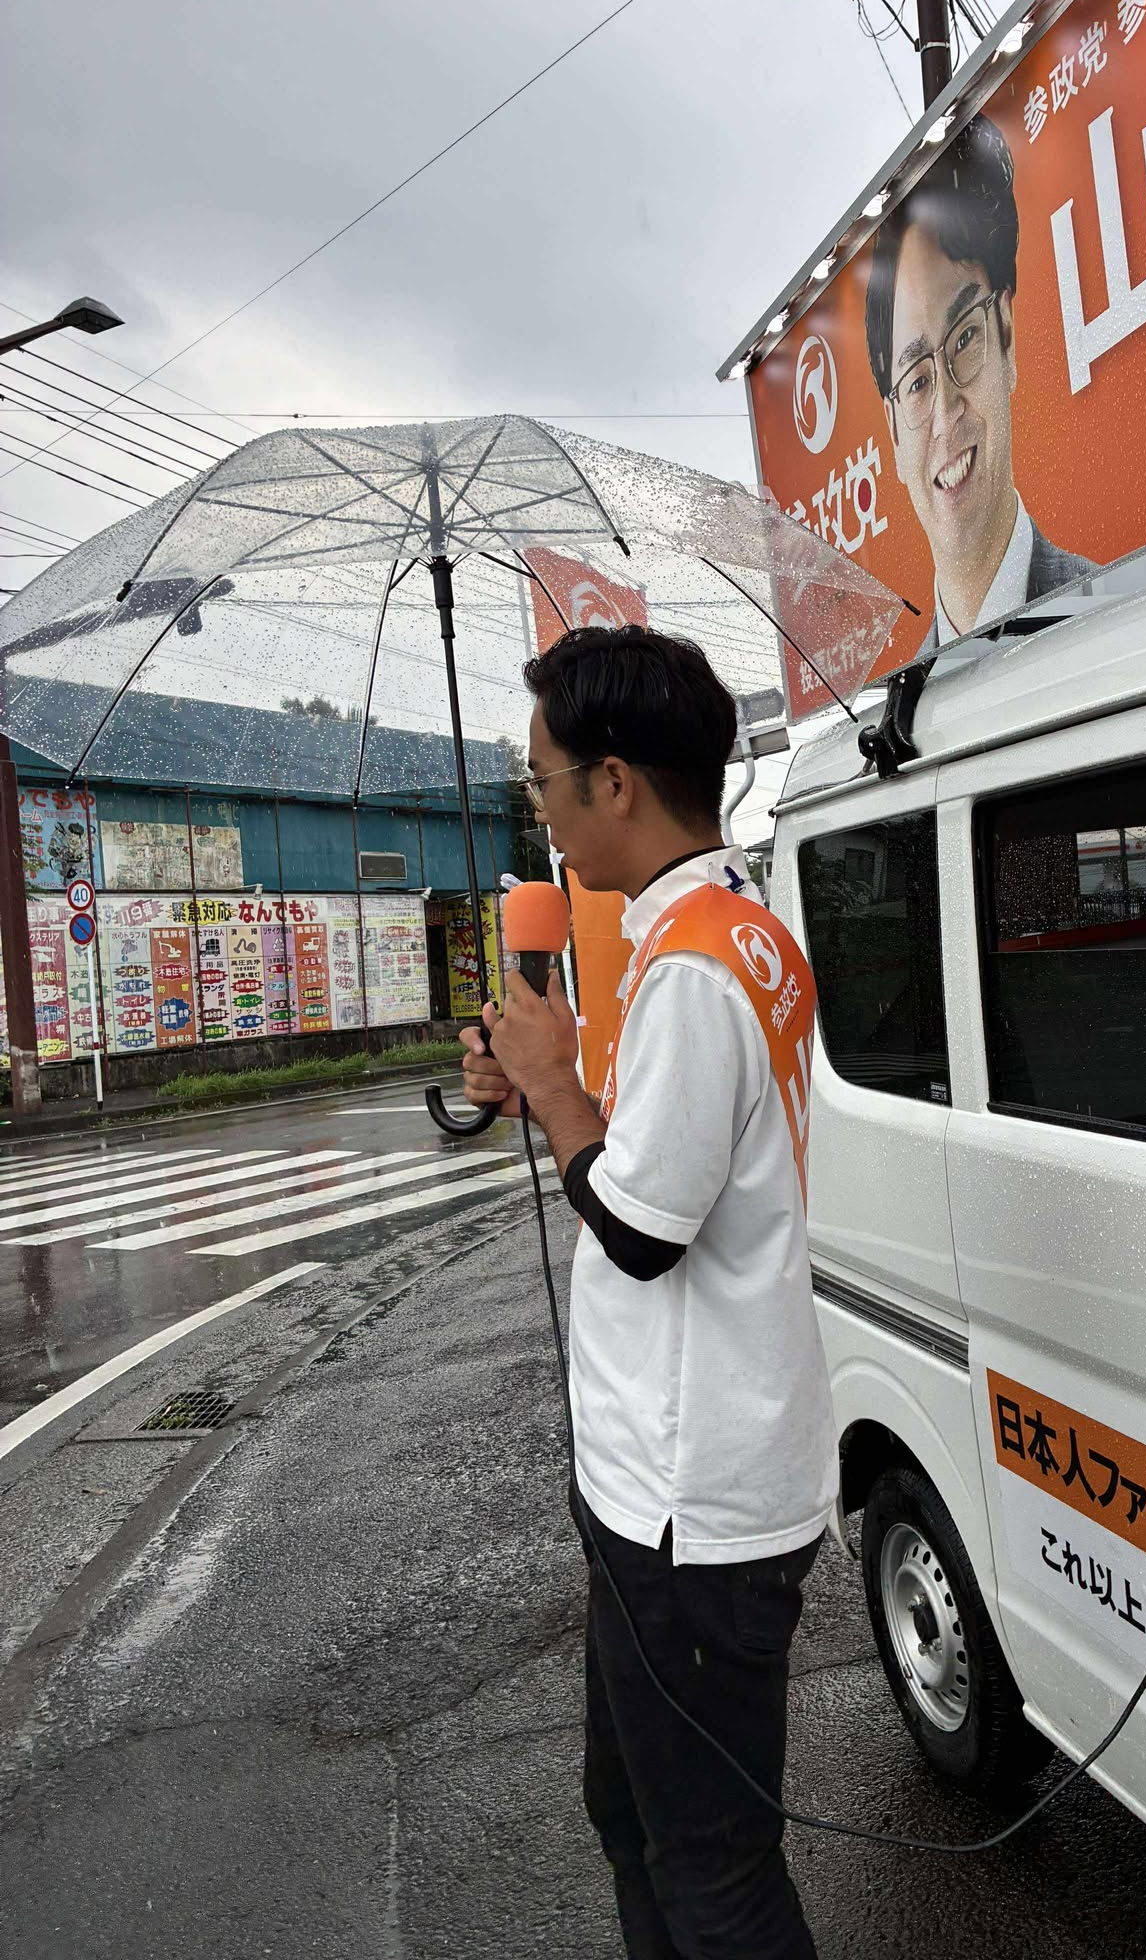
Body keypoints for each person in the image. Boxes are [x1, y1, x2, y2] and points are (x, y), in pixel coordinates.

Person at [460, 625, 836, 1960]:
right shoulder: (732, 930)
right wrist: (546, 1089)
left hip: (693, 1509)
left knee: (711, 1868)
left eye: (545, 780)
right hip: (662, 1487)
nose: (543, 811)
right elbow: (666, 1160)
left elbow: (639, 1231)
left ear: (614, 781)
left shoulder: (689, 970)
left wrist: (557, 1092)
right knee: (630, 1819)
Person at [864, 113, 1098, 644]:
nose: (946, 413)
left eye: (965, 338)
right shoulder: (913, 691)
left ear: (1006, 334)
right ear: (894, 430)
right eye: (917, 381)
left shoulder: (1108, 608)